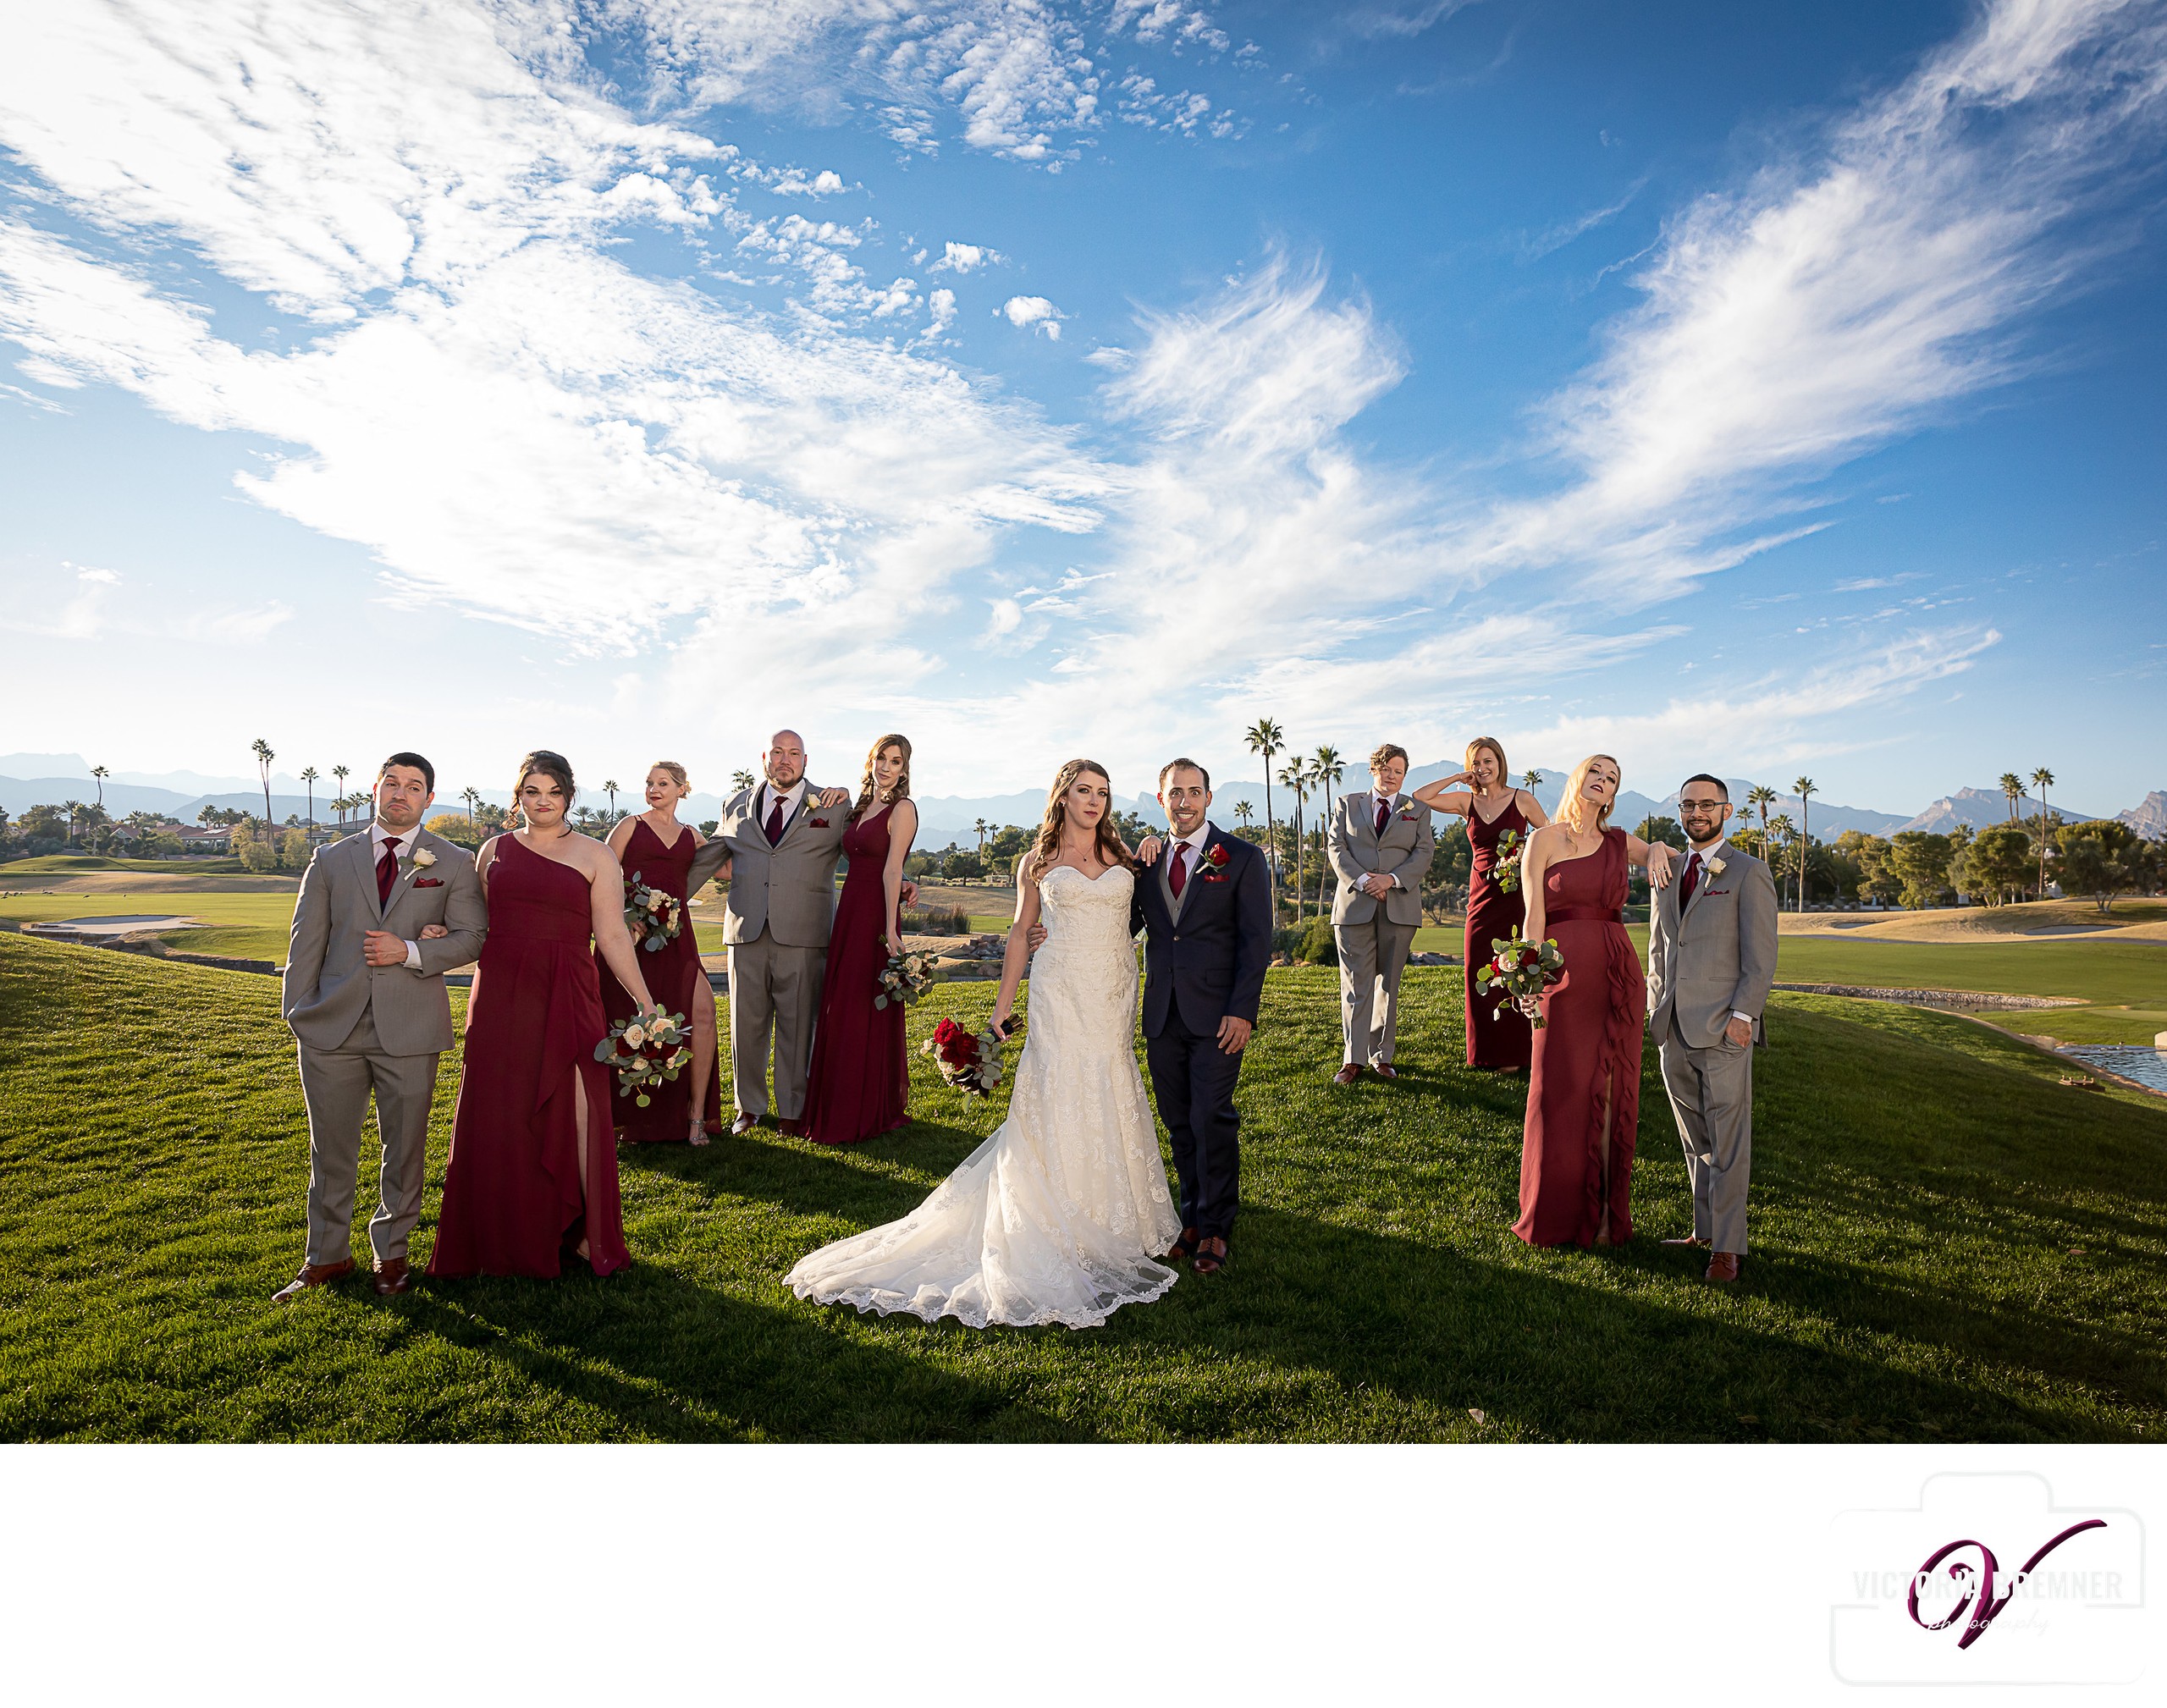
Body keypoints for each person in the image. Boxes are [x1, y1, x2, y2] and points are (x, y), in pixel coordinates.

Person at [786, 760, 1179, 1328]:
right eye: (1082, 791)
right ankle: (1055, 1219)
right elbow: (1022, 932)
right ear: (1063, 798)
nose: (1094, 802)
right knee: (1059, 1088)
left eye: (1102, 793)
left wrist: (1149, 845)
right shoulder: (1036, 861)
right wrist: (1001, 1011)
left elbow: (1143, 911)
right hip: (1060, 988)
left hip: (1113, 990)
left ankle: (1121, 1218)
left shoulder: (1125, 858)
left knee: (1110, 1081)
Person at [427, 752, 659, 1280]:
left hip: (570, 990)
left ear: (568, 797)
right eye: (532, 791)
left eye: (552, 792)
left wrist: (644, 1001)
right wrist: (445, 932)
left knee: (582, 1104)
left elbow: (614, 934)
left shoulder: (597, 856)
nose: (542, 801)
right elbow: (481, 924)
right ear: (519, 797)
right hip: (502, 994)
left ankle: (583, 1233)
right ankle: (498, 1234)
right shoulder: (492, 852)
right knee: (499, 1109)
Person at [275, 752, 487, 1301]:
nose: (400, 793)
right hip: (331, 1030)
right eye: (391, 783)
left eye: (413, 787)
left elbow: (472, 938)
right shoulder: (329, 859)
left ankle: (391, 1255)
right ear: (375, 789)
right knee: (331, 1150)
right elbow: (304, 947)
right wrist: (300, 1014)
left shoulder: (453, 862)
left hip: (411, 1029)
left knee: (406, 1149)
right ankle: (325, 1257)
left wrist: (412, 950)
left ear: (429, 799)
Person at [685, 730, 908, 1137]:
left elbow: (867, 850)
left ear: (806, 760)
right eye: (777, 753)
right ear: (764, 757)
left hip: (805, 932)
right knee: (744, 1025)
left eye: (794, 753)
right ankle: (748, 1108)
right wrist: (665, 900)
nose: (784, 760)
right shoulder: (734, 804)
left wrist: (905, 880)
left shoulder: (834, 805)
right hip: (745, 929)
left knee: (797, 1025)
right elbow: (712, 856)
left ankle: (792, 1109)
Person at [1513, 754, 1675, 1248]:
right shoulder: (1542, 840)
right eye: (1596, 773)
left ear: (1612, 794)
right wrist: (1527, 981)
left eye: (1612, 780)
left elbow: (1657, 856)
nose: (1602, 783)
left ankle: (1605, 1219)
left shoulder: (1621, 843)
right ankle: (1551, 1215)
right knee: (1556, 1089)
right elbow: (1533, 918)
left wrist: (1662, 846)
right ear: (1578, 779)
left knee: (1609, 1089)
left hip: (1614, 973)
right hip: (1560, 979)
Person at [1128, 758, 1274, 1275]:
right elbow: (1123, 925)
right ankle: (1190, 1218)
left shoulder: (1241, 857)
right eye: (1175, 793)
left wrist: (1242, 1011)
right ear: (1161, 798)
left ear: (1209, 798)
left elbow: (1257, 943)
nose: (1184, 802)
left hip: (1217, 1017)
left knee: (1210, 1118)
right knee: (1178, 1123)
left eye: (1194, 792)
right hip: (1162, 1015)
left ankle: (1215, 1228)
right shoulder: (1145, 862)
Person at [1646, 774, 1778, 1284]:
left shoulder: (1749, 872)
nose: (1697, 812)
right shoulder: (1668, 868)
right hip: (1673, 1027)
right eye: (1688, 805)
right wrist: (1656, 1009)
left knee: (1728, 1141)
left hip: (1725, 1028)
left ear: (1726, 811)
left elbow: (1761, 956)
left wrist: (1744, 1018)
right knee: (1693, 1135)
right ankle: (1704, 1229)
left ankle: (1727, 1248)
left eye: (1707, 804)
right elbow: (1660, 946)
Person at [802, 734, 919, 1145]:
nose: (887, 767)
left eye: (896, 761)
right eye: (881, 759)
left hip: (874, 916)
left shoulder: (903, 809)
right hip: (849, 911)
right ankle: (837, 1099)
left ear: (905, 769)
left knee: (863, 1006)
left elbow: (891, 868)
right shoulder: (862, 807)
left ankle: (866, 1107)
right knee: (843, 1004)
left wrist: (889, 929)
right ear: (870, 761)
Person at [600, 761, 722, 1144]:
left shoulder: (692, 835)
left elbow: (730, 869)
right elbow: (599, 873)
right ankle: (624, 1116)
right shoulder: (629, 826)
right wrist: (623, 915)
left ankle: (696, 1116)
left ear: (682, 789)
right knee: (623, 1019)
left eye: (663, 783)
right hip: (630, 940)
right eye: (650, 783)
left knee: (703, 1012)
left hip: (678, 940)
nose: (654, 789)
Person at [1410, 738, 1550, 1072]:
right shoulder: (1466, 801)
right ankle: (1485, 1052)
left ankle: (1519, 1054)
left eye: (1488, 761)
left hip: (1516, 896)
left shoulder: (1522, 799)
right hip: (1480, 897)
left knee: (1518, 966)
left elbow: (1549, 838)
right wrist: (1458, 777)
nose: (1483, 768)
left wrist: (1525, 861)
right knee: (1478, 970)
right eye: (1476, 763)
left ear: (1500, 762)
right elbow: (1419, 798)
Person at [1326, 743, 1434, 1083]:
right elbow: (1335, 846)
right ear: (1374, 769)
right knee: (1357, 984)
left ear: (1404, 775)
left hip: (1398, 906)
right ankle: (1353, 1059)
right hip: (1354, 906)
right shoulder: (1347, 804)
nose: (1391, 776)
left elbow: (1424, 851)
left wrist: (1392, 879)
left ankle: (1381, 1057)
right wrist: (1363, 881)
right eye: (1385, 769)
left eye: (1398, 771)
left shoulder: (1418, 809)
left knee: (1389, 982)